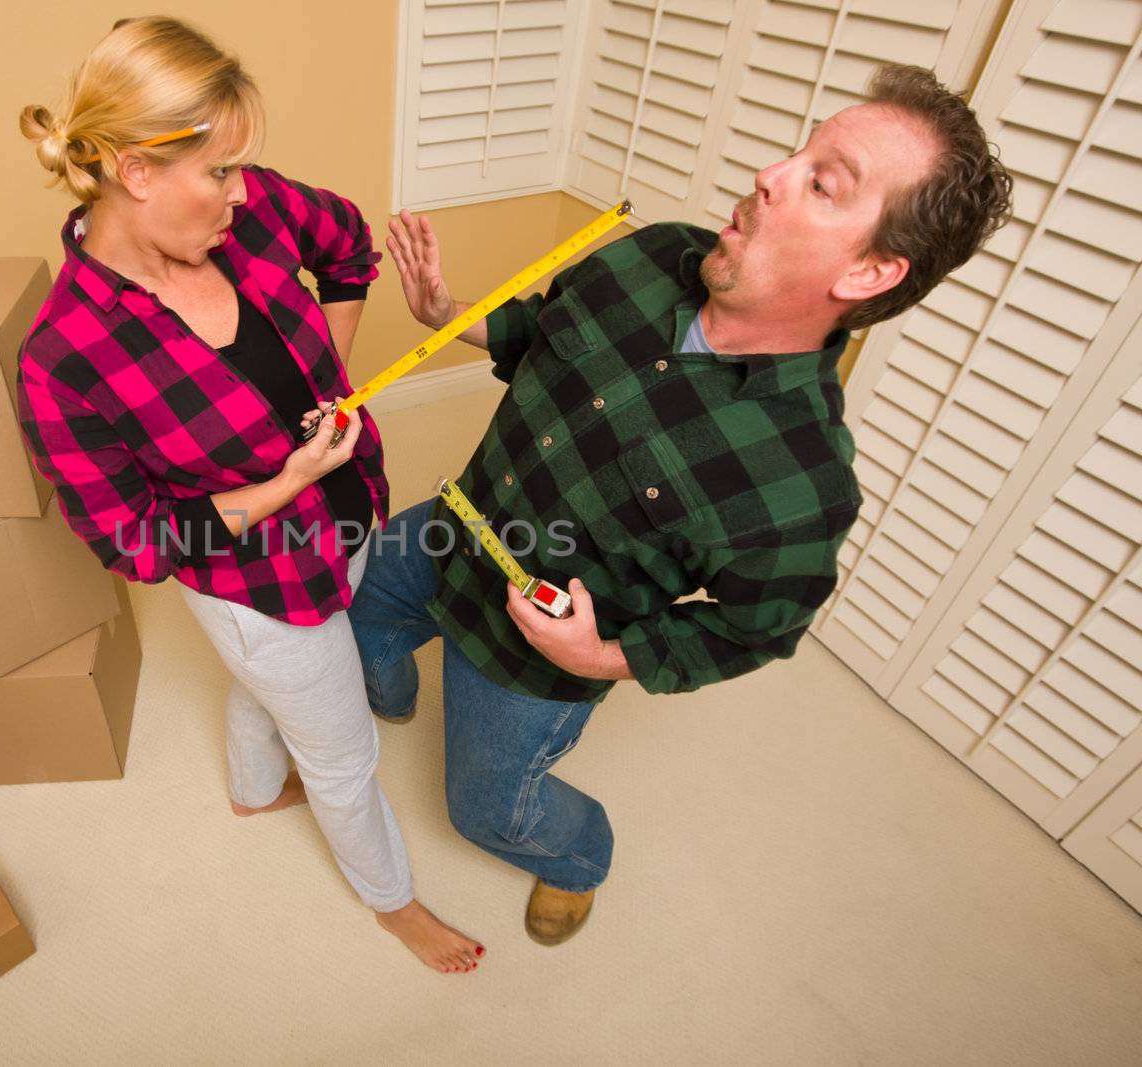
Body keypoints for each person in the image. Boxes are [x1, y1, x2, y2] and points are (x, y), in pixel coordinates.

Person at [350, 63, 1013, 946]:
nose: (770, 175)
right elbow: (544, 333)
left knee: (485, 813)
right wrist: (446, 311)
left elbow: (753, 631)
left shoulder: (802, 485)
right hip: (453, 526)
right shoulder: (649, 252)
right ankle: (384, 699)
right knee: (356, 606)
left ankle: (579, 856)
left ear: (870, 269)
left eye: (822, 183)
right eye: (800, 152)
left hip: (533, 660)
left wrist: (604, 654)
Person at [14, 17, 482, 973]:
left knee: (276, 689)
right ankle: (393, 903)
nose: (241, 192)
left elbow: (349, 243)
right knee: (342, 750)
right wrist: (279, 484)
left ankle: (254, 788)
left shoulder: (254, 210)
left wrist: (332, 381)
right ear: (137, 171)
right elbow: (132, 542)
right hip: (259, 584)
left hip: (346, 512)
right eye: (219, 172)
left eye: (239, 169)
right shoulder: (64, 358)